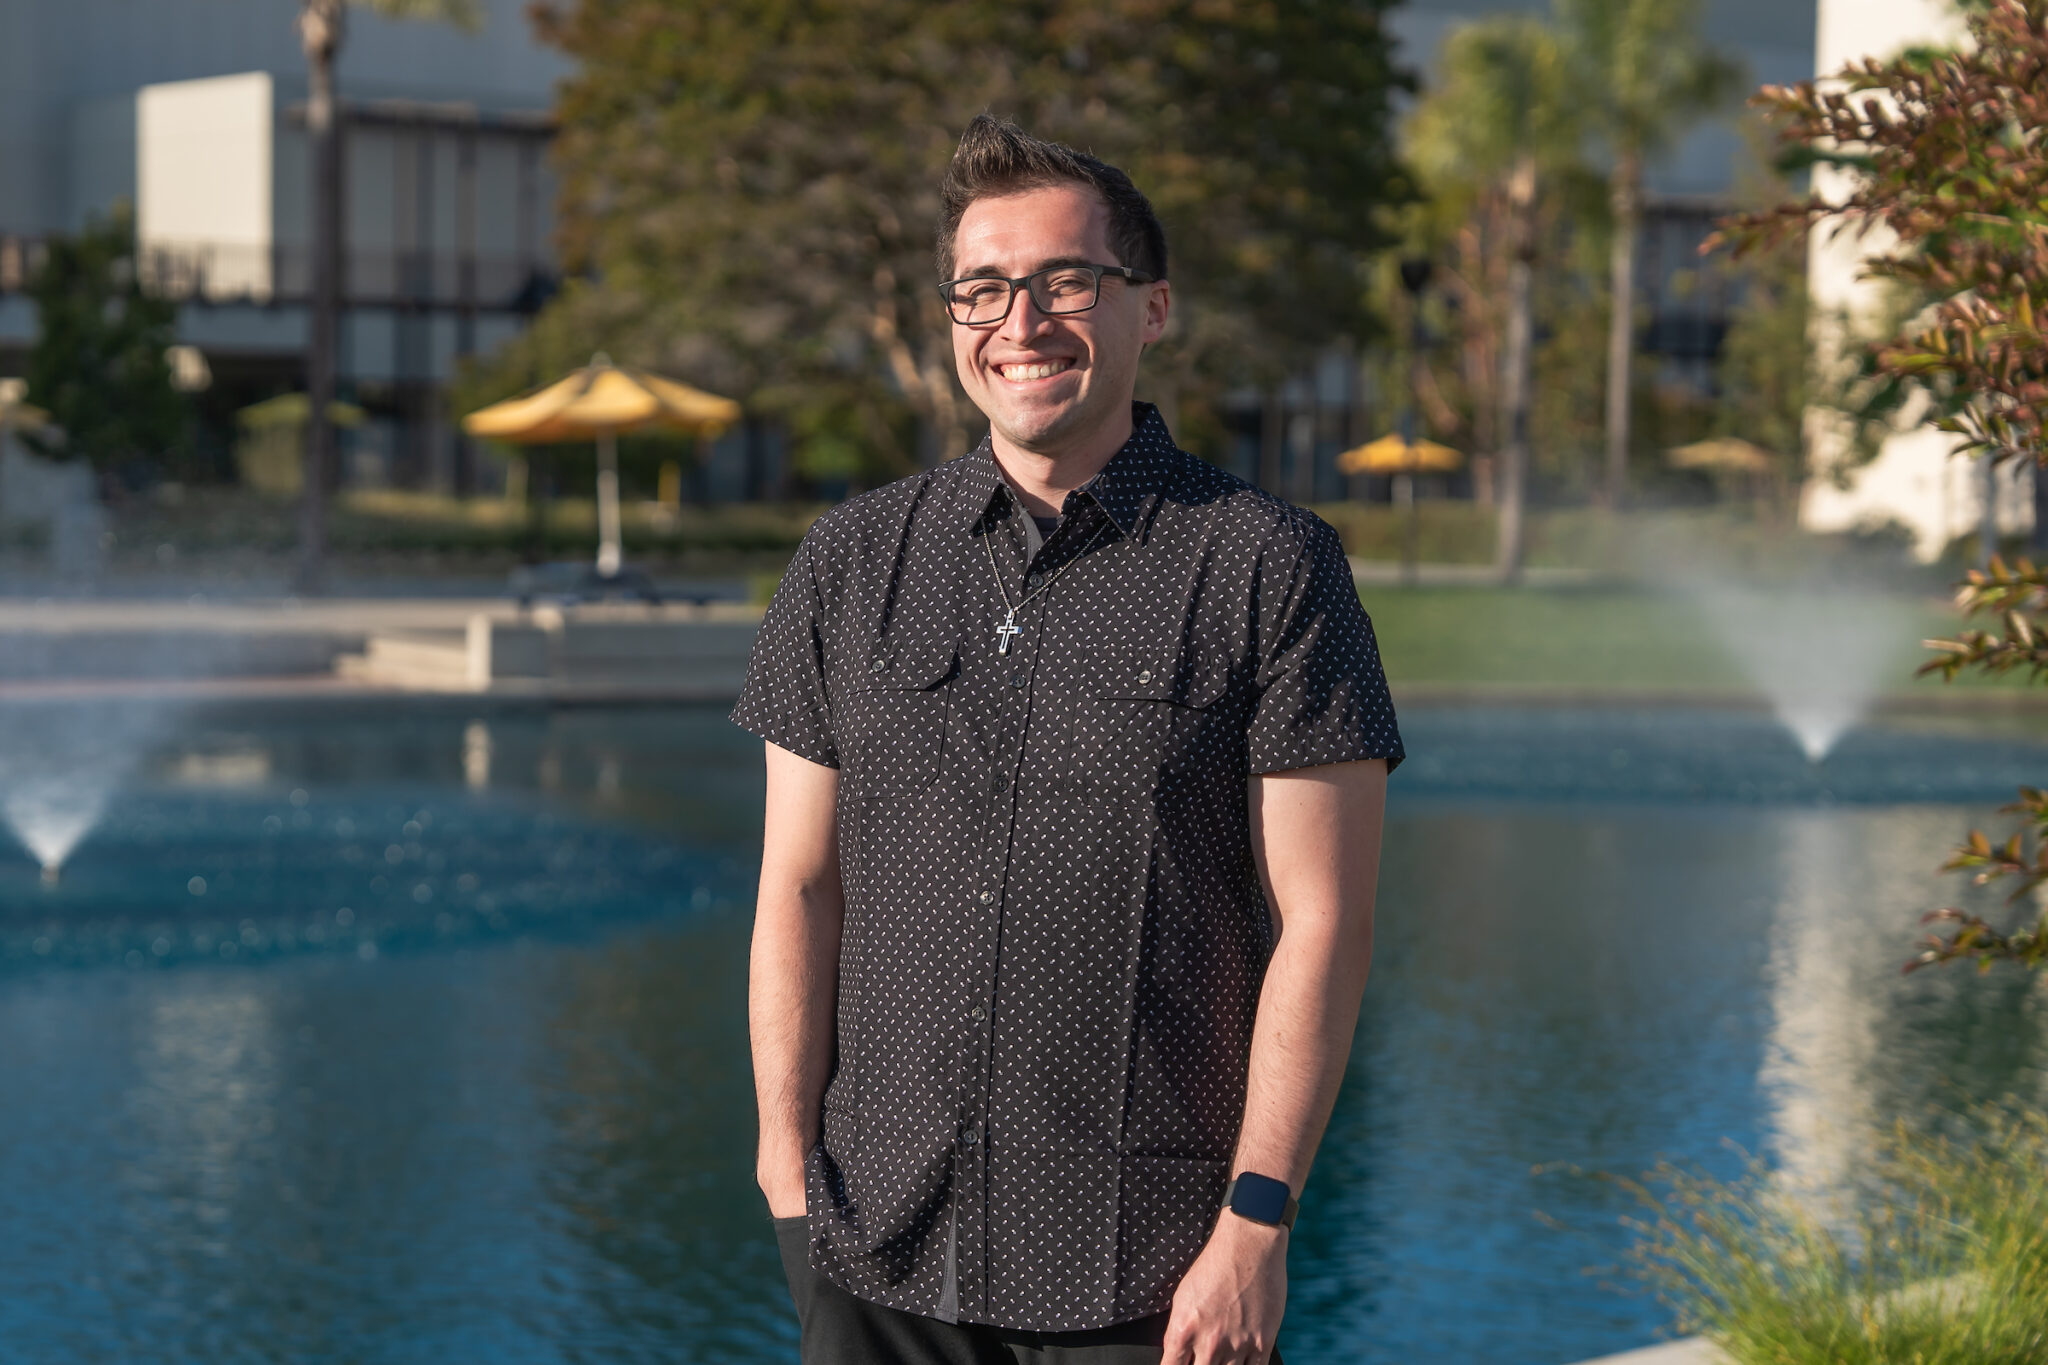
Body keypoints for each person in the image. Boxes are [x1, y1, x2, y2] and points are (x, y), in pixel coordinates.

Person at [733, 114, 1402, 1365]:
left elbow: (1325, 923)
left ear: (1149, 309)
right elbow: (798, 882)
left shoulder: (1270, 566)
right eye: (983, 290)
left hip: (1155, 1272)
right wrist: (784, 1176)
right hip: (878, 1252)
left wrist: (1258, 1219)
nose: (1020, 324)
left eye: (1063, 283)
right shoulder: (847, 562)